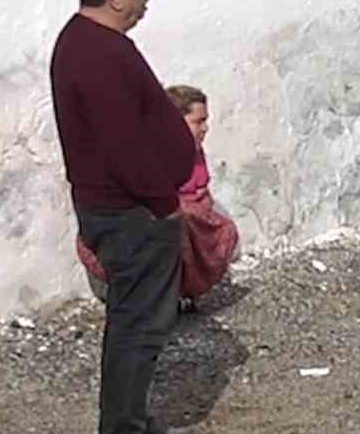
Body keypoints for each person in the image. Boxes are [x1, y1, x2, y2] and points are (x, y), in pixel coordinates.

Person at [51, 0, 200, 434]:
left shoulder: (95, 43)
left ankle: (135, 421)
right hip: (130, 212)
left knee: (143, 322)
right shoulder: (95, 53)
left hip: (130, 207)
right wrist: (163, 204)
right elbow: (121, 147)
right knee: (137, 325)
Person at [75, 84, 241, 309]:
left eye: (205, 120)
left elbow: (200, 191)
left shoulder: (194, 151)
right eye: (198, 121)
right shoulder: (152, 153)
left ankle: (181, 291)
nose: (206, 128)